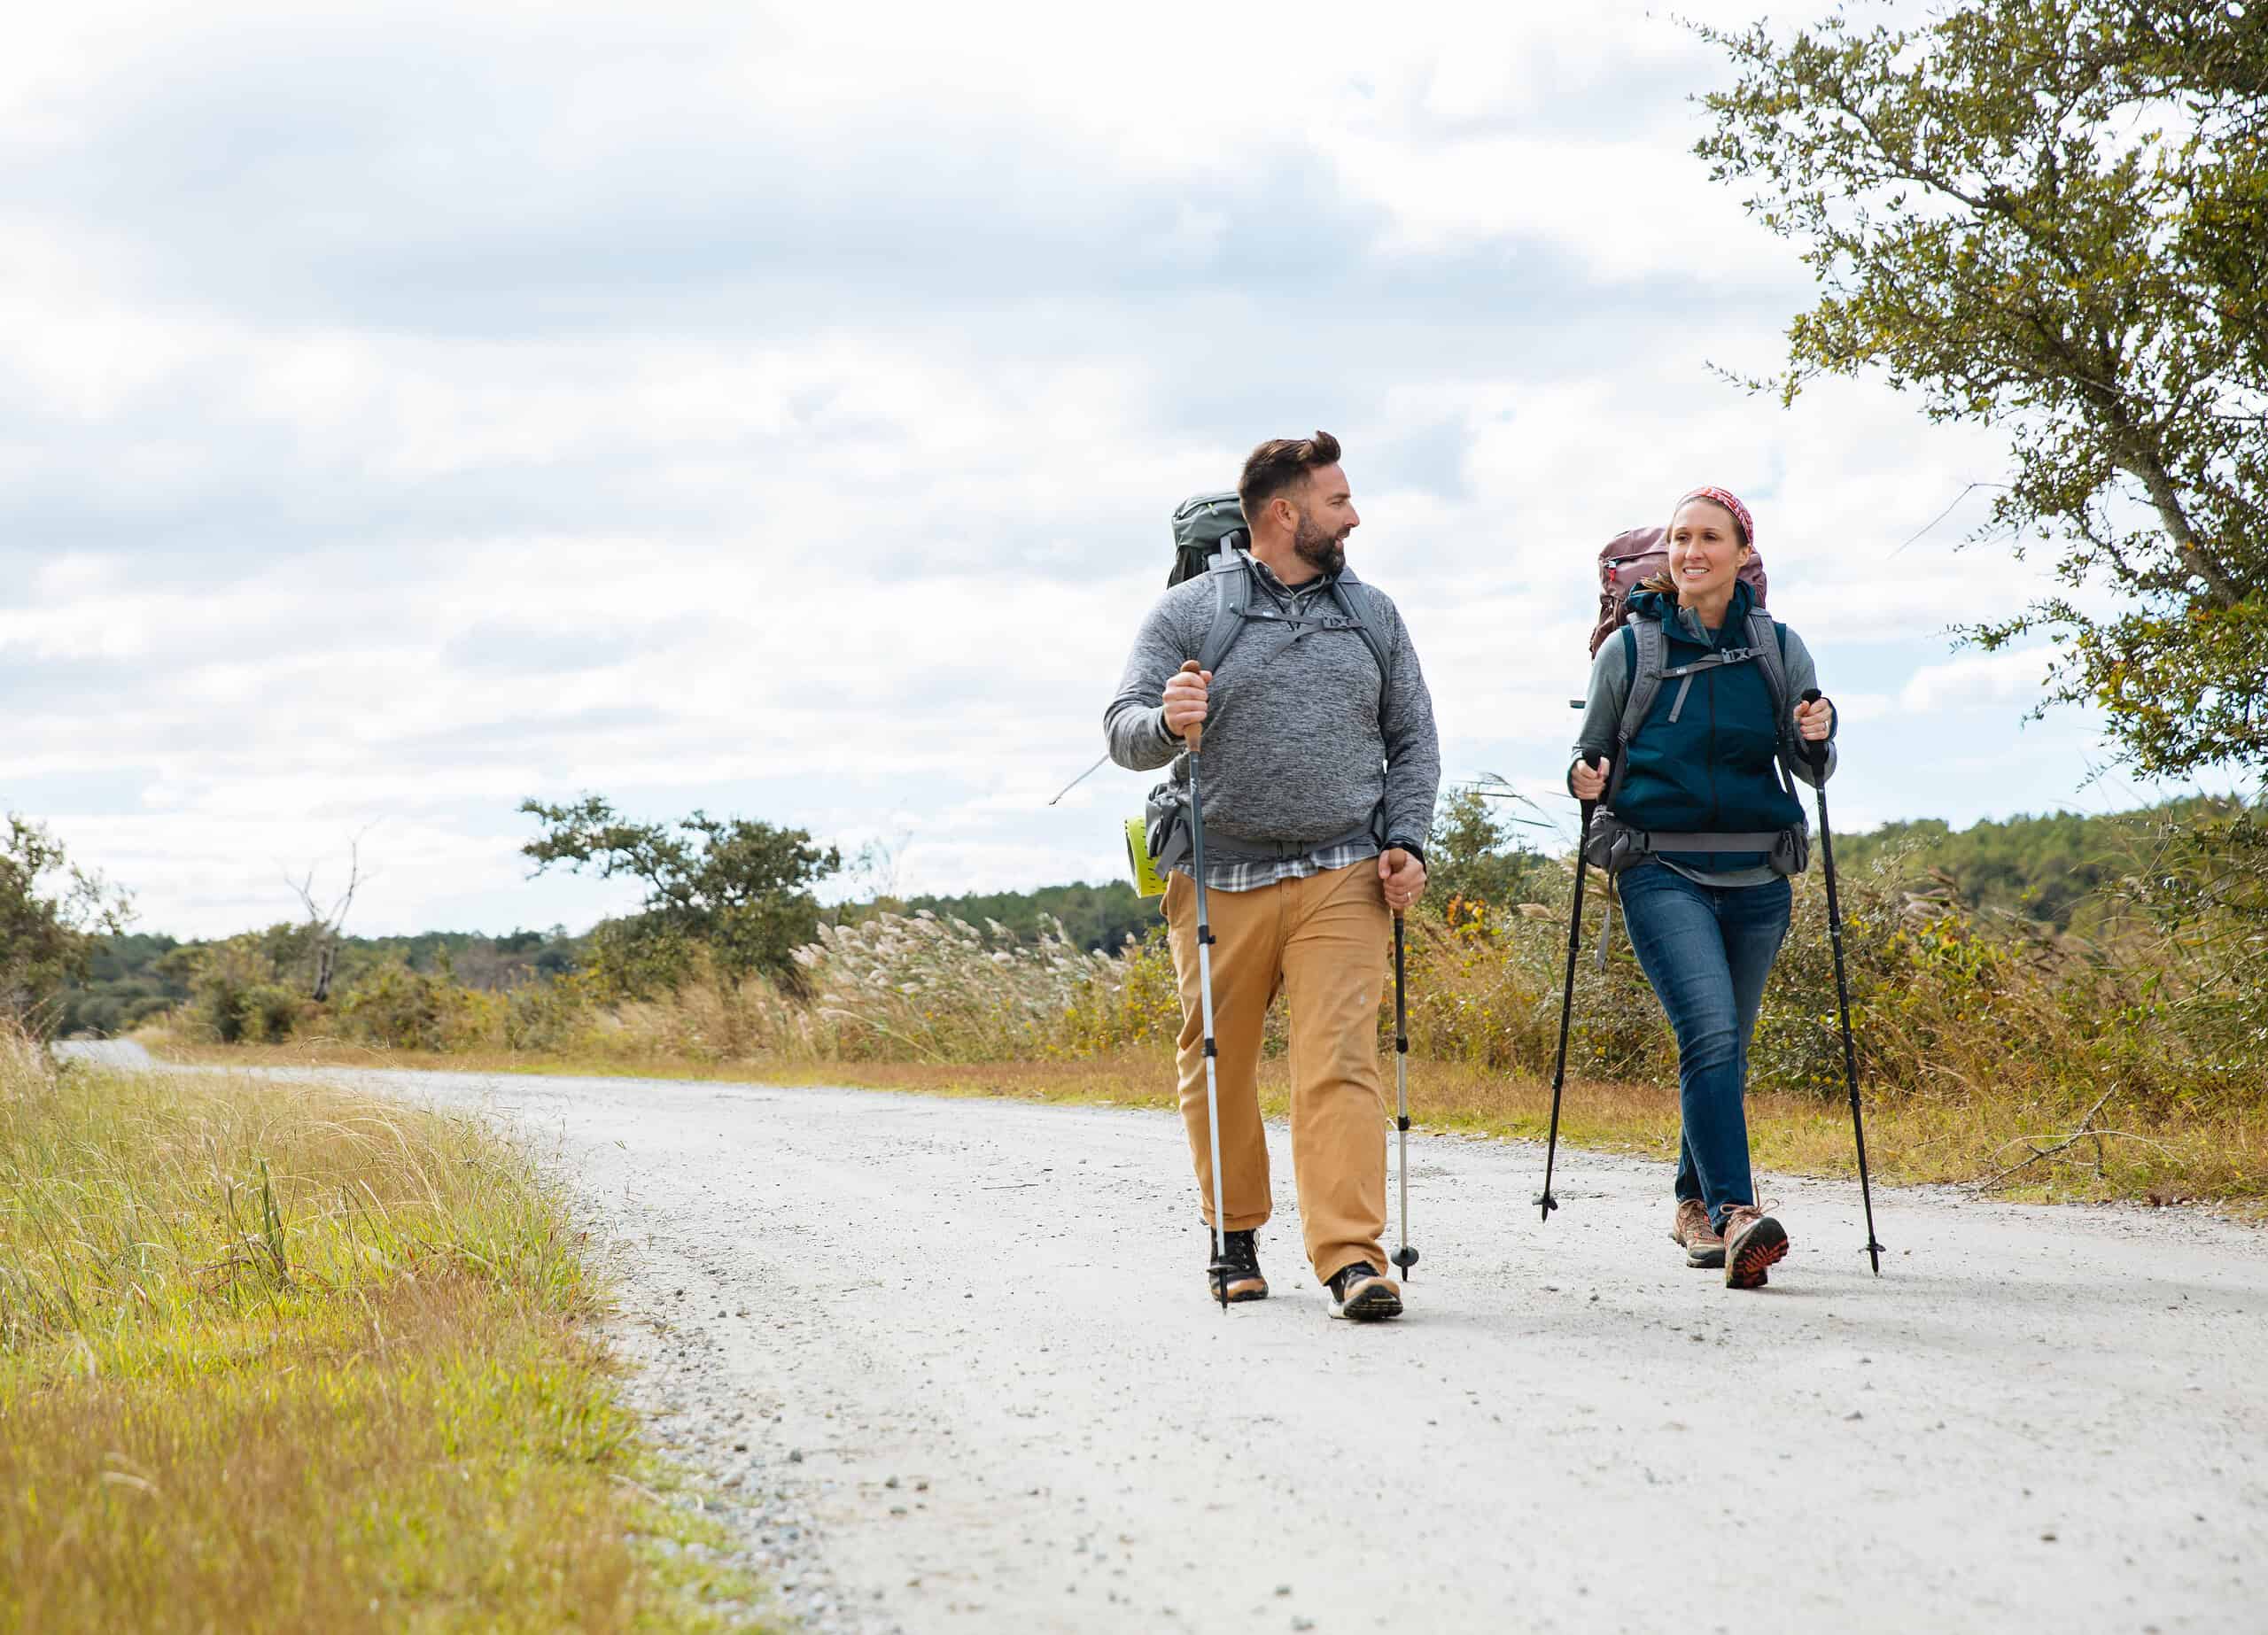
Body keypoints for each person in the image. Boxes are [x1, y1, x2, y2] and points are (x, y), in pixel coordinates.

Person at [1105, 432, 1441, 1320]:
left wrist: (1405, 838)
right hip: (1221, 871)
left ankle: (1351, 1258)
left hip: (1344, 868)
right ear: (1284, 514)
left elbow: (1412, 739)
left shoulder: (1373, 614)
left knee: (1338, 1061)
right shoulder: (1188, 612)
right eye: (1338, 501)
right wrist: (1166, 723)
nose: (1354, 514)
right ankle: (1235, 1233)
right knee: (1220, 1060)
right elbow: (1122, 729)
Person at [1569, 485, 1835, 1290]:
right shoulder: (1632, 650)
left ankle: (1691, 1204)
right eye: (1681, 537)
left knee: (1723, 1047)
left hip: (1760, 874)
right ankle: (1736, 1213)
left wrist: (1821, 735)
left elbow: (1810, 766)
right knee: (1711, 1034)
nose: (1692, 551)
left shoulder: (1778, 648)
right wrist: (1586, 779)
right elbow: (1587, 761)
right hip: (1661, 868)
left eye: (1709, 538)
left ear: (1742, 554)